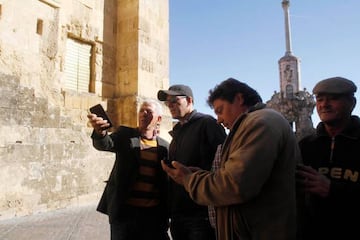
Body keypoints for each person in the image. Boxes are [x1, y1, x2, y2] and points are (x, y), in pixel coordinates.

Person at [161, 78, 300, 240]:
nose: (219, 119)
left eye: (220, 110)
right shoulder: (252, 124)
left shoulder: (260, 123)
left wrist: (189, 179)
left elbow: (234, 184)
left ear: (239, 99)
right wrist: (203, 175)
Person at [87, 99, 170, 240]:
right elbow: (106, 144)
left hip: (152, 216)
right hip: (125, 214)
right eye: (141, 111)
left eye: (149, 111)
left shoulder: (164, 147)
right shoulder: (125, 135)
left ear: (159, 118)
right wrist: (100, 133)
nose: (143, 114)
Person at [157, 84, 227, 240]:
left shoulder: (207, 124)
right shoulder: (178, 131)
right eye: (168, 102)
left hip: (200, 215)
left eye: (174, 101)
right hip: (178, 214)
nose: (170, 105)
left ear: (189, 100)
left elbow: (225, 165)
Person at [296, 76, 360, 239]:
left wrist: (333, 189)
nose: (324, 104)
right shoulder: (306, 146)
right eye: (320, 99)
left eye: (334, 98)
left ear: (352, 103)